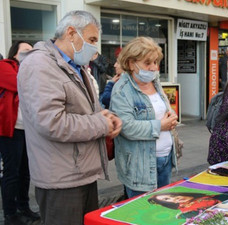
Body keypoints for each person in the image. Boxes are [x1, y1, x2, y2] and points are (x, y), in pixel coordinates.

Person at [17, 10, 122, 225]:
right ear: (71, 33)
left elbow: (85, 110)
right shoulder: (40, 65)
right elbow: (52, 122)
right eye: (92, 39)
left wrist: (107, 115)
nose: (95, 47)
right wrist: (102, 123)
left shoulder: (75, 66)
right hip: (61, 178)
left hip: (80, 171)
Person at [110, 37, 178, 198]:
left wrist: (171, 115)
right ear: (132, 63)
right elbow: (126, 127)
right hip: (140, 167)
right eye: (148, 63)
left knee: (163, 210)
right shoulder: (122, 90)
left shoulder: (155, 81)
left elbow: (162, 108)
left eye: (155, 62)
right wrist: (160, 126)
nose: (153, 68)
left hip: (165, 159)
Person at [0, 41, 39, 225]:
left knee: (25, 172)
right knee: (11, 172)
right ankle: (10, 213)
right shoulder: (4, 66)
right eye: (25, 51)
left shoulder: (33, 71)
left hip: (29, 130)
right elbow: (20, 86)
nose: (29, 54)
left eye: (32, 51)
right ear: (14, 53)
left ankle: (24, 206)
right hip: (11, 130)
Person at [148, 192, 228, 219]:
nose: (176, 198)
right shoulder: (188, 212)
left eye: (172, 196)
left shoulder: (213, 196)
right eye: (167, 200)